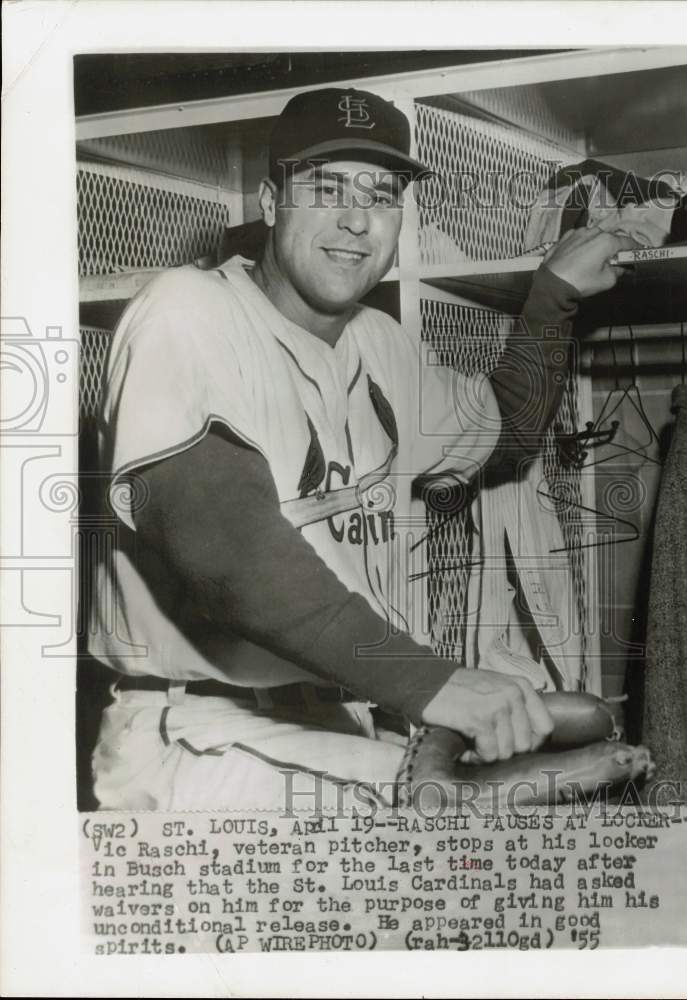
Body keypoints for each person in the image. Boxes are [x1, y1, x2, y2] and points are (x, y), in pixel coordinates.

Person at [89, 87, 634, 810]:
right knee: (479, 831)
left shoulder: (380, 344)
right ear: (271, 199)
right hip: (198, 732)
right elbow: (225, 546)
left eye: (381, 193)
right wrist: (431, 682)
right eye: (326, 187)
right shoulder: (187, 312)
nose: (356, 218)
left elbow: (511, 426)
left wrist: (554, 295)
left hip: (341, 717)